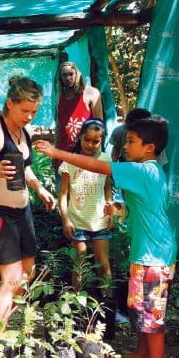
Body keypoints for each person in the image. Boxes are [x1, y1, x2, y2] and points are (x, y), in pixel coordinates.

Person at [34, 116, 174, 358]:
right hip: (148, 252)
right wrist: (119, 209)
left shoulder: (143, 170)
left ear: (150, 147)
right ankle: (144, 354)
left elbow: (96, 166)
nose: (125, 146)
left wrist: (56, 152)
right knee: (141, 306)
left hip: (154, 256)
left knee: (151, 310)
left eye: (131, 141)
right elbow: (145, 208)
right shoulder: (148, 172)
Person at [0, 76, 56, 323]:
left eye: (34, 111)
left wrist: (38, 188)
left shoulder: (23, 132)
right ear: (10, 104)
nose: (29, 116)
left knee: (28, 274)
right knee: (11, 279)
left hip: (22, 211)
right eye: (24, 110)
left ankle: (1, 328)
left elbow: (23, 167)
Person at [57, 118, 113, 294]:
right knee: (80, 263)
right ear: (80, 137)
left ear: (102, 141)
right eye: (86, 139)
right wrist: (66, 220)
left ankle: (108, 303)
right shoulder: (70, 161)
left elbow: (107, 188)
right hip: (77, 222)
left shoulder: (105, 160)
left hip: (100, 221)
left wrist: (111, 210)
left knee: (104, 264)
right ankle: (76, 303)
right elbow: (63, 194)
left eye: (95, 141)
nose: (90, 144)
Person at [55, 61, 103, 169]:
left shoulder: (91, 93)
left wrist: (96, 152)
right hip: (63, 152)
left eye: (70, 74)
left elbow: (99, 125)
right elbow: (59, 127)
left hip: (85, 151)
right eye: (64, 75)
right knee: (62, 184)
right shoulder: (59, 97)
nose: (68, 78)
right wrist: (55, 152)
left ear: (77, 74)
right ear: (60, 78)